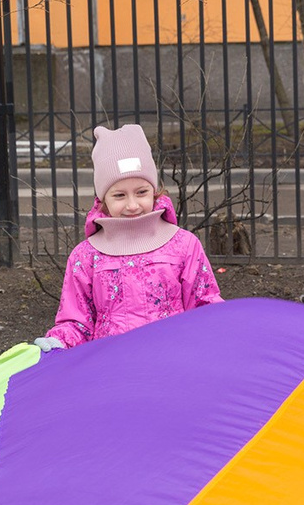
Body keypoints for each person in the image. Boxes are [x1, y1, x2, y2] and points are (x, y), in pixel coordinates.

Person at [39, 124, 221, 350]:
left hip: (174, 360)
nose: (133, 205)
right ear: (103, 199)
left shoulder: (183, 245)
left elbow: (205, 306)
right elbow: (77, 322)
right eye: (119, 195)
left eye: (142, 192)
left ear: (155, 191)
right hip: (111, 365)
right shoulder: (87, 256)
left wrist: (222, 331)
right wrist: (59, 341)